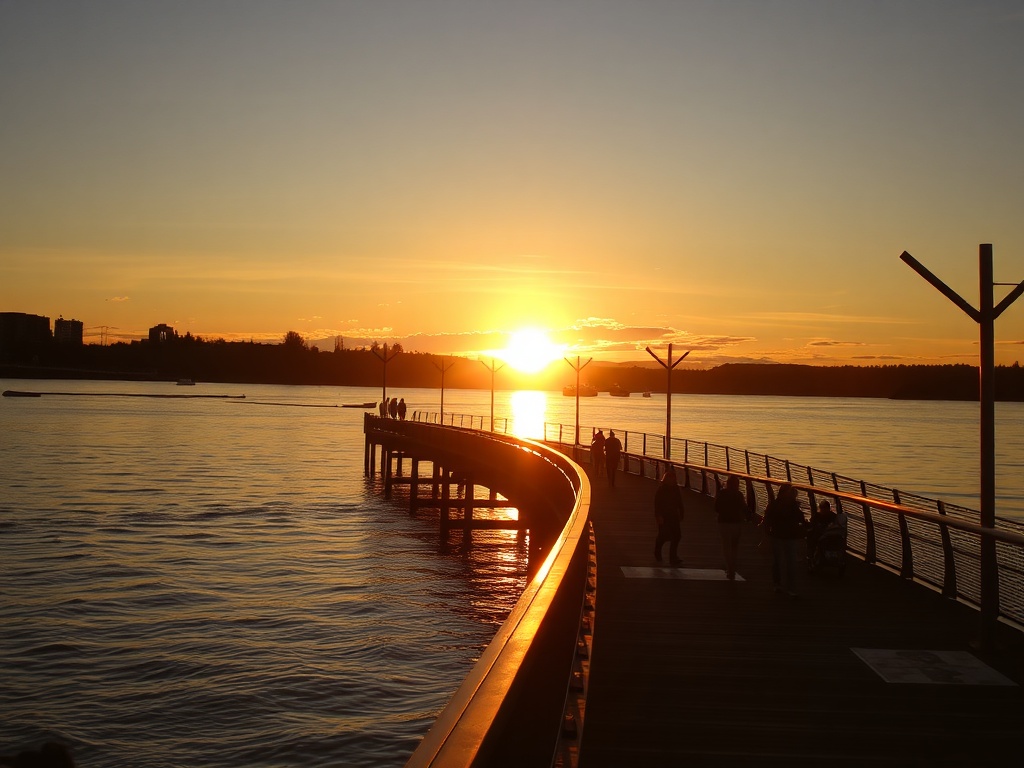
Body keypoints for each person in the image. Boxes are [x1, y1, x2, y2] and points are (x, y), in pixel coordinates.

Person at [762, 483, 807, 598]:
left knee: (779, 561)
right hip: (787, 536)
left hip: (779, 535)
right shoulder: (792, 505)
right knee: (788, 562)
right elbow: (800, 519)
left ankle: (779, 584)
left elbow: (767, 519)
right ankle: (789, 587)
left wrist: (767, 533)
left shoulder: (776, 504)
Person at [714, 475, 748, 580]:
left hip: (724, 522)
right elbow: (743, 507)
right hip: (736, 522)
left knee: (726, 546)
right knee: (734, 546)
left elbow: (716, 508)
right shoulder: (739, 494)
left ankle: (729, 568)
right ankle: (732, 566)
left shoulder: (721, 493)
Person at [654, 468, 684, 565]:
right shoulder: (662, 489)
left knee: (677, 536)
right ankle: (657, 551)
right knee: (663, 536)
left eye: (674, 479)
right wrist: (658, 516)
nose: (673, 481)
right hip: (664, 516)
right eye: (671, 479)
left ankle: (673, 557)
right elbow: (657, 504)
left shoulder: (676, 489)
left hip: (674, 515)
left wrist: (682, 513)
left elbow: (679, 502)